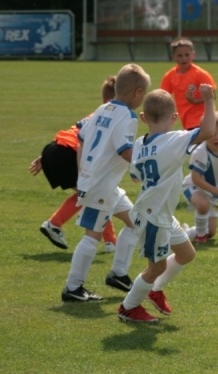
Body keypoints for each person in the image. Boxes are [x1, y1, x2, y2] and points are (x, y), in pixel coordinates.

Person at [118, 86, 216, 323]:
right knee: (156, 267)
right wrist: (209, 100)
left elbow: (135, 177)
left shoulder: (140, 144)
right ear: (174, 117)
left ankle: (155, 290)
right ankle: (128, 307)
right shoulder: (175, 140)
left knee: (186, 253)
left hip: (159, 212)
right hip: (153, 217)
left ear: (143, 118)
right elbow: (209, 130)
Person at [61, 63, 151, 302]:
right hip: (102, 185)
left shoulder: (102, 108)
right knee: (93, 235)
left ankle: (119, 273)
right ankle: (72, 287)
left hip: (104, 183)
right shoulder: (128, 117)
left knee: (135, 223)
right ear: (138, 93)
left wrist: (84, 172)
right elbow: (125, 151)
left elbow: (80, 137)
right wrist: (147, 164)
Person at [30, 75, 119, 252]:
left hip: (54, 149)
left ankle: (111, 242)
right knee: (89, 193)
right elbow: (83, 141)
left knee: (96, 195)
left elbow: (75, 133)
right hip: (69, 154)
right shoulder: (113, 116)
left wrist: (45, 158)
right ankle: (54, 224)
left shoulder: (98, 113)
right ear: (111, 99)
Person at [181, 111, 218, 243]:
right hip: (193, 186)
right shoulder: (200, 152)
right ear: (205, 134)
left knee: (211, 232)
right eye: (212, 134)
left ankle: (186, 233)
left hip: (213, 191)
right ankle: (200, 237)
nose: (217, 137)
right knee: (203, 205)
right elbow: (196, 179)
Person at [160, 37, 218, 129]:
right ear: (173, 57)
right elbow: (162, 96)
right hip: (185, 120)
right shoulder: (170, 76)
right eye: (180, 55)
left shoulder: (200, 74)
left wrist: (195, 101)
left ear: (193, 55)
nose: (184, 58)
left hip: (201, 120)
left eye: (187, 55)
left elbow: (213, 95)